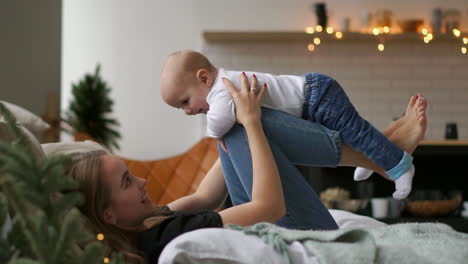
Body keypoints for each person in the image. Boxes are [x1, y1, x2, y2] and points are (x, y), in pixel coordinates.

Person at [67, 75, 426, 263]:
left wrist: (232, 122)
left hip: (278, 227)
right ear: (107, 214)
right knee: (242, 123)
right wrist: (251, 123)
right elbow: (269, 209)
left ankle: (378, 151)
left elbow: (204, 196)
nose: (142, 180)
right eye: (128, 181)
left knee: (234, 124)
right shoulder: (160, 238)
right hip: (308, 236)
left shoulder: (144, 226)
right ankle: (377, 152)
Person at [159, 50, 426, 200]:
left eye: (184, 102)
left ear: (204, 78)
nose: (187, 111)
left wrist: (213, 135)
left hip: (317, 95)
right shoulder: (220, 89)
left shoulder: (224, 89)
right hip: (308, 103)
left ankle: (400, 165)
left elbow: (218, 122)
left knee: (356, 132)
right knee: (353, 133)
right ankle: (374, 158)